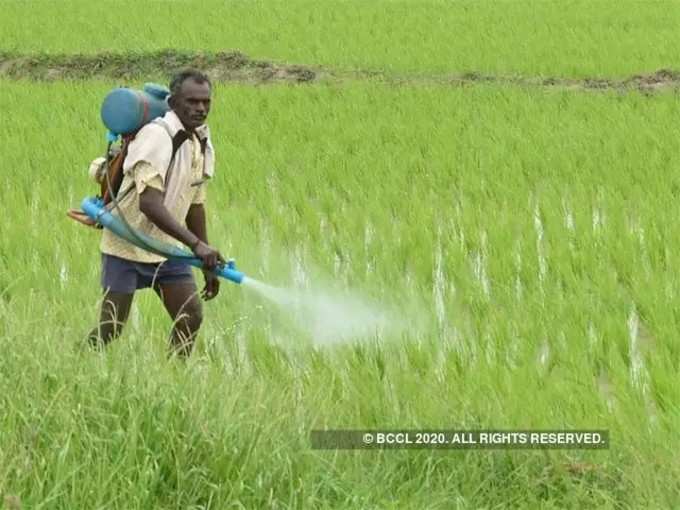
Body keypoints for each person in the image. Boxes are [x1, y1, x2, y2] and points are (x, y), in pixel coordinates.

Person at [87, 69, 223, 357]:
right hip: (126, 246)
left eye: (205, 102)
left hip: (166, 250)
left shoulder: (200, 140)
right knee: (111, 328)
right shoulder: (157, 136)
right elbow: (149, 204)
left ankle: (173, 380)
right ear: (173, 103)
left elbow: (195, 202)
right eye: (192, 101)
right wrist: (196, 245)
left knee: (190, 317)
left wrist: (205, 255)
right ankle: (77, 363)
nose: (200, 108)